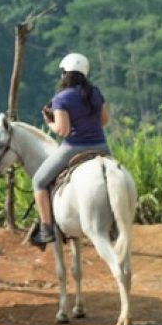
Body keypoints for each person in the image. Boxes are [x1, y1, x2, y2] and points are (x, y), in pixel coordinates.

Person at [32, 52, 111, 245]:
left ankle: (46, 228)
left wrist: (49, 122)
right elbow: (104, 120)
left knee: (39, 182)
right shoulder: (96, 93)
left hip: (73, 147)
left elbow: (63, 130)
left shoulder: (61, 98)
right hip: (101, 147)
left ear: (64, 74)